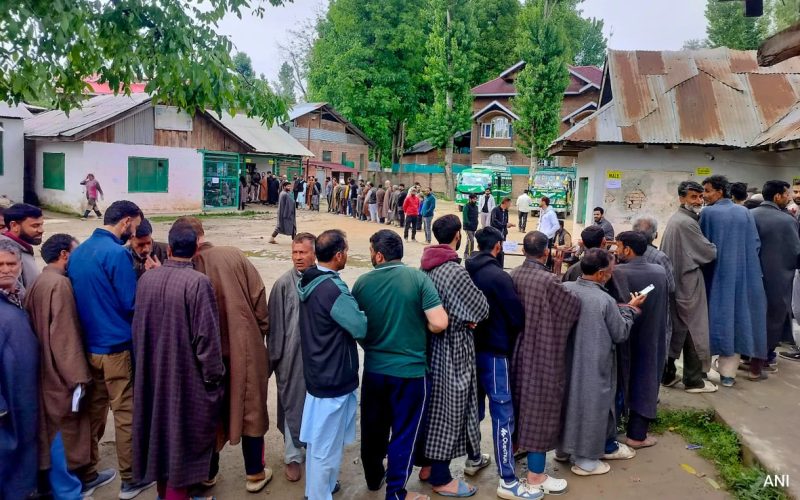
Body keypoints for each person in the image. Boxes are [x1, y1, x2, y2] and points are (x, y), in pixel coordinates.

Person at [352, 230, 448, 500]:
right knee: (404, 433)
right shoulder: (417, 279)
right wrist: (424, 325)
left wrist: (370, 346)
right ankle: (396, 492)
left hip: (374, 370)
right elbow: (440, 322)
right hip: (411, 373)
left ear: (379, 255)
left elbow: (355, 326)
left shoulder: (361, 284)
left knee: (373, 428)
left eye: (371, 250)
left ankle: (374, 479)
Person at [131, 223, 224, 500]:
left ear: (169, 249)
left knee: (159, 436)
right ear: (196, 250)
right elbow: (207, 339)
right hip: (187, 380)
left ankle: (165, 494)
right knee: (180, 443)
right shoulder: (198, 282)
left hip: (153, 375)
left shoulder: (147, 278)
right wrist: (213, 378)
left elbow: (138, 328)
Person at [68, 200, 154, 499]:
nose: (134, 232)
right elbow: (132, 303)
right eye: (135, 225)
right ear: (127, 221)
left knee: (93, 411)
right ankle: (132, 478)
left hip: (90, 346)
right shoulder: (116, 254)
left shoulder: (78, 253)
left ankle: (88, 472)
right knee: (125, 413)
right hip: (117, 347)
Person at [183, 216, 272, 493]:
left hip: (203, 354)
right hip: (244, 346)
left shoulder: (184, 265)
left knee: (209, 412)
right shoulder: (233, 255)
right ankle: (255, 474)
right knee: (251, 409)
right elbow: (259, 297)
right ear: (202, 233)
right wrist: (260, 331)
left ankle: (208, 474)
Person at [418, 215, 489, 496]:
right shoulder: (453, 271)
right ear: (458, 235)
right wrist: (468, 319)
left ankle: (426, 465)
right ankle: (441, 476)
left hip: (430, 348)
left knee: (433, 408)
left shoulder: (424, 268)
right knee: (451, 410)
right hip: (453, 349)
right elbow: (481, 308)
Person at [465, 227, 537, 499]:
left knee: (473, 408)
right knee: (502, 413)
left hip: (468, 350)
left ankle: (473, 458)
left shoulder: (465, 270)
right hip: (495, 352)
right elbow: (517, 317)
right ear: (497, 246)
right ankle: (507, 479)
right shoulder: (498, 276)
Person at [24, 234, 97, 499]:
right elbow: (65, 337)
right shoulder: (60, 285)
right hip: (59, 375)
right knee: (62, 433)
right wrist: (78, 377)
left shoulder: (40, 281)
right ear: (65, 255)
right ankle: (68, 491)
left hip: (44, 370)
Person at [559, 249, 644, 476]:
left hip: (565, 362)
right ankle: (586, 461)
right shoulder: (604, 300)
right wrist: (631, 311)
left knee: (566, 403)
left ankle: (563, 450)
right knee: (593, 409)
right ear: (600, 274)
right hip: (593, 364)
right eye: (610, 270)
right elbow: (620, 334)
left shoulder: (565, 289)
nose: (612, 274)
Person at [298, 230, 367, 500]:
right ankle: (317, 494)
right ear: (339, 255)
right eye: (346, 251)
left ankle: (322, 487)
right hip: (333, 377)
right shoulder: (331, 289)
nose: (347, 255)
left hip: (319, 371)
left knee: (322, 441)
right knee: (325, 445)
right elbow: (359, 326)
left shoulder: (311, 281)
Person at [509, 231, 580, 495]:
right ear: (546, 252)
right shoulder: (549, 280)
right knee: (540, 409)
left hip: (516, 350)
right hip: (543, 351)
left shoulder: (514, 274)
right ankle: (536, 475)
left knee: (517, 405)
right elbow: (571, 308)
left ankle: (513, 457)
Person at [700, 175, 767, 386]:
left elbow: (701, 246)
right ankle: (729, 376)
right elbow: (755, 244)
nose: (704, 195)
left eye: (708, 191)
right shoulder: (744, 212)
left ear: (719, 191)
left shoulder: (708, 213)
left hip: (715, 276)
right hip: (742, 277)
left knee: (710, 321)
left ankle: (702, 371)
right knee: (737, 321)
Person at [659, 182, 718, 393]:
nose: (698, 201)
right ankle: (693, 380)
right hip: (688, 284)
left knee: (675, 330)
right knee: (694, 330)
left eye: (700, 197)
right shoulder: (686, 223)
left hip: (677, 283)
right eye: (693, 197)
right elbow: (708, 252)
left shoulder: (679, 219)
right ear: (682, 198)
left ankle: (667, 375)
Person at [267, 233, 317, 482]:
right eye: (295, 252)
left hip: (319, 360)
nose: (298, 257)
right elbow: (274, 329)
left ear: (314, 253)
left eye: (303, 252)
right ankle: (292, 456)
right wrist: (275, 361)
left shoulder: (323, 281)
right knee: (291, 405)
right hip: (291, 359)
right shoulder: (283, 285)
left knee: (317, 408)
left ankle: (315, 453)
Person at [613, 231, 669, 449]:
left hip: (623, 335)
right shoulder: (660, 272)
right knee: (646, 379)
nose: (616, 251)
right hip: (652, 334)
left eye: (618, 247)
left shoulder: (617, 272)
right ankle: (637, 435)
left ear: (627, 249)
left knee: (618, 379)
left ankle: (612, 429)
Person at [0, 240, 40, 499]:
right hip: (7, 398)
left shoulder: (19, 294)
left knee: (26, 446)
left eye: (11, 264)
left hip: (24, 391)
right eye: (0, 264)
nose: (5, 269)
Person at [752, 180, 800, 373]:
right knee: (774, 315)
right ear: (777, 196)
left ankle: (750, 355)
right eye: (787, 194)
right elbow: (794, 251)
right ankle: (765, 357)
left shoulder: (750, 215)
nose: (789, 197)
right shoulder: (787, 220)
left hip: (753, 276)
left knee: (754, 314)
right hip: (777, 277)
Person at [0, 203, 44, 291]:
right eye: (35, 226)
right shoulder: (6, 253)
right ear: (14, 226)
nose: (41, 230)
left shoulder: (22, 249)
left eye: (41, 225)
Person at [491, 197, 514, 267]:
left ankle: (501, 266)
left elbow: (505, 222)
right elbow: (494, 222)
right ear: (505, 202)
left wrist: (508, 225)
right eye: (509, 203)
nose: (510, 205)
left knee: (502, 251)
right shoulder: (495, 210)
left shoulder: (506, 211)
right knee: (495, 250)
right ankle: (493, 265)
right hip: (495, 235)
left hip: (503, 234)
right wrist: (505, 225)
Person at [462, 193, 479, 259]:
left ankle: (467, 254)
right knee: (471, 240)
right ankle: (469, 254)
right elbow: (465, 217)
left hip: (474, 227)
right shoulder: (466, 206)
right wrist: (468, 223)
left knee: (469, 240)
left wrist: (476, 223)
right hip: (468, 227)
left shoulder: (476, 207)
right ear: (470, 199)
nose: (475, 200)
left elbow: (476, 216)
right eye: (474, 199)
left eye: (476, 199)